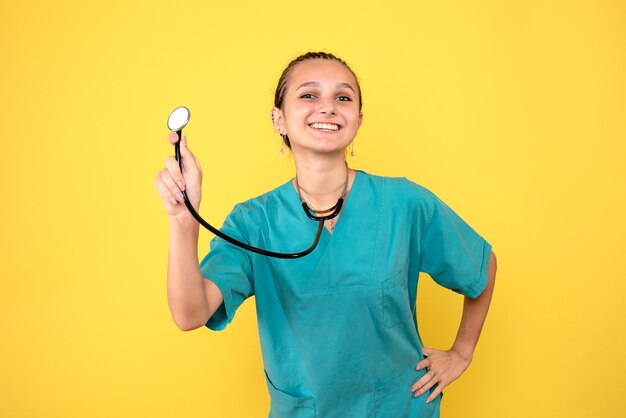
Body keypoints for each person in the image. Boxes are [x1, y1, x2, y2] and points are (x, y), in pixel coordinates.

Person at [154, 51, 497, 418]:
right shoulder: (254, 222)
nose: (328, 108)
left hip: (398, 408)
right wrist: (182, 220)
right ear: (278, 119)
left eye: (343, 98)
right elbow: (190, 313)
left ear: (358, 120)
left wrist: (461, 353)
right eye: (309, 95)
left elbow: (480, 265)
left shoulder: (404, 203)